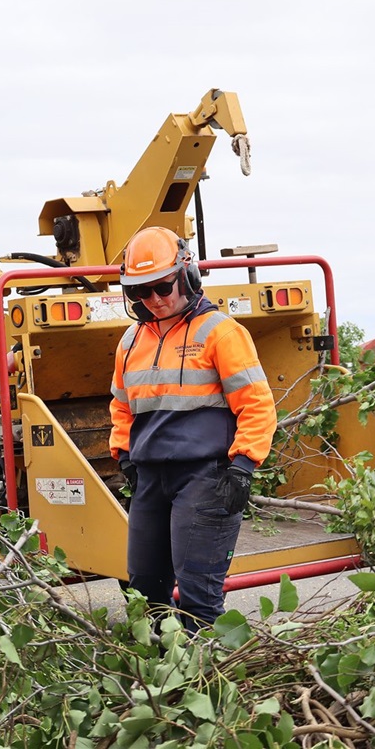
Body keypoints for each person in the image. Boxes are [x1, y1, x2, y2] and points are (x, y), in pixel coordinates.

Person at [109, 227, 277, 633]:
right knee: (145, 588)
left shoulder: (222, 333)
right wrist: (124, 454)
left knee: (199, 597)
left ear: (187, 276)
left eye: (162, 287)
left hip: (206, 477)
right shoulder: (131, 341)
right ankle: (162, 675)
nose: (154, 300)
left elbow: (256, 404)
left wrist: (243, 466)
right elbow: (120, 403)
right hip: (151, 478)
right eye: (140, 293)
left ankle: (210, 681)